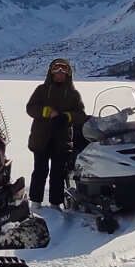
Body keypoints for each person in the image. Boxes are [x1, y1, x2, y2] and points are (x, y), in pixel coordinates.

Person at [24, 58, 86, 207]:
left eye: (63, 70)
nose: (59, 73)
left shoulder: (73, 94)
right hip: (41, 138)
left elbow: (81, 115)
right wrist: (46, 112)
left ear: (68, 73)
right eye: (56, 69)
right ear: (50, 73)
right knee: (40, 171)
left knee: (58, 173)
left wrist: (67, 116)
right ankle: (36, 202)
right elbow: (30, 108)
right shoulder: (41, 90)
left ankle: (55, 204)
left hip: (62, 139)